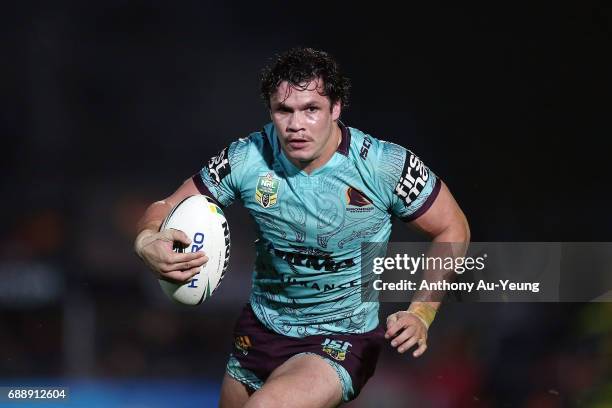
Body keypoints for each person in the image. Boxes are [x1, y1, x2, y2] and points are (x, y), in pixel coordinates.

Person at [134, 47, 469, 408]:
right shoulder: (248, 158)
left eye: (311, 109)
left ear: (336, 108)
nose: (296, 124)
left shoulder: (384, 166)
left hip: (342, 339)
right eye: (284, 110)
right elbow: (168, 206)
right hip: (260, 330)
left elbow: (453, 228)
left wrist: (423, 311)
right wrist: (146, 239)